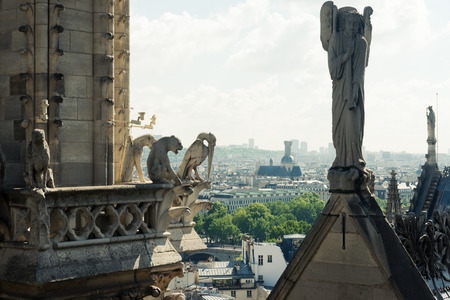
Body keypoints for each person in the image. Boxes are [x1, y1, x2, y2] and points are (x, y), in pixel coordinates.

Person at [328, 10, 368, 169]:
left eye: (355, 24)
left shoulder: (361, 42)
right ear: (343, 24)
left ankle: (354, 158)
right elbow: (332, 69)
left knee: (353, 125)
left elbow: (360, 70)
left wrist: (354, 91)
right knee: (339, 127)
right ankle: (341, 159)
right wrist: (346, 55)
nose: (352, 27)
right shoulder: (335, 39)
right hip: (339, 91)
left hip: (354, 91)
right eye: (349, 24)